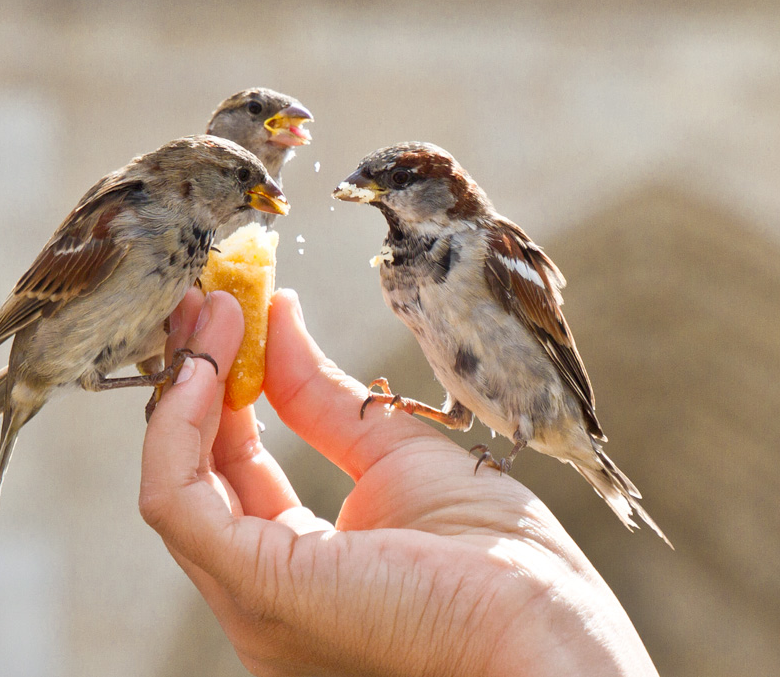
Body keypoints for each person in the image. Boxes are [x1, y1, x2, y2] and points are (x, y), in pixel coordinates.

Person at [139, 288, 660, 677]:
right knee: (457, 413)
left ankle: (529, 447)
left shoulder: (491, 250)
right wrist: (520, 616)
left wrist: (508, 618)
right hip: (476, 421)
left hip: (541, 411)